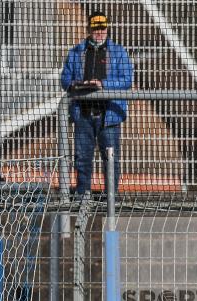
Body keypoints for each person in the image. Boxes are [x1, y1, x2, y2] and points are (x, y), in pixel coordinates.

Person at [60, 11, 134, 199]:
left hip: (108, 115)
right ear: (89, 29)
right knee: (82, 158)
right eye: (95, 28)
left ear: (107, 29)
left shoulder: (118, 52)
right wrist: (75, 84)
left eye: (102, 28)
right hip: (83, 113)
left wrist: (103, 85)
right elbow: (65, 78)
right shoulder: (77, 52)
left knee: (110, 158)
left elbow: (126, 80)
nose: (99, 32)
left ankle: (110, 196)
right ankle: (82, 195)